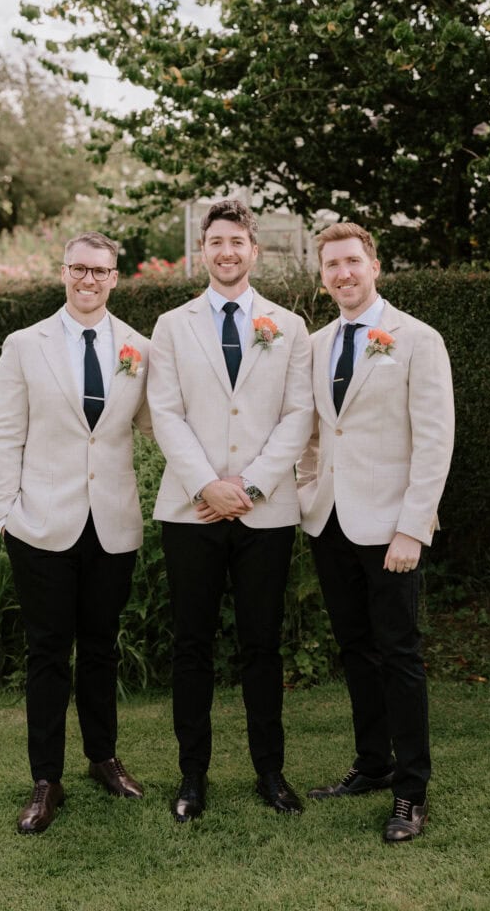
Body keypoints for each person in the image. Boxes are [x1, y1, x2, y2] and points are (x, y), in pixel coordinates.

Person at [147, 199, 314, 822]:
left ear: (254, 250)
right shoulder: (172, 325)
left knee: (261, 645)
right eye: (215, 242)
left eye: (236, 242)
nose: (226, 252)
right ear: (203, 250)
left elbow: (299, 415)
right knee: (191, 644)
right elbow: (166, 413)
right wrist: (206, 486)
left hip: (265, 513)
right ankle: (192, 776)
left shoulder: (288, 326)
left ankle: (270, 771)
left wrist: (253, 486)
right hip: (191, 513)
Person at [0, 231, 152, 834]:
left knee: (102, 648)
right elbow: (5, 433)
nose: (89, 280)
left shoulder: (138, 346)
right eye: (79, 269)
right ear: (64, 273)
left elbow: (163, 422)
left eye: (100, 271)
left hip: (111, 523)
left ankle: (103, 759)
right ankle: (45, 778)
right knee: (48, 653)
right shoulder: (24, 345)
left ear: (115, 277)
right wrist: (4, 511)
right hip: (40, 523)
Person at [297, 222, 454, 842]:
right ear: (323, 275)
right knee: (355, 651)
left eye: (352, 262)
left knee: (400, 655)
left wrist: (413, 528)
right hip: (330, 522)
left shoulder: (417, 340)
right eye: (332, 265)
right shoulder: (314, 345)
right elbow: (312, 434)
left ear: (375, 265)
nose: (343, 274)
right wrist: (310, 490)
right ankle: (373, 764)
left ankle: (411, 791)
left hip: (392, 528)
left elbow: (435, 441)